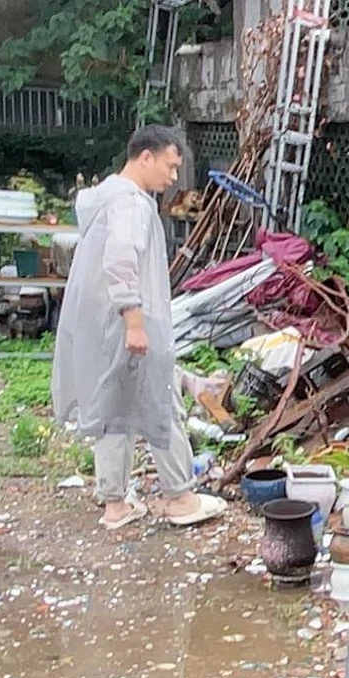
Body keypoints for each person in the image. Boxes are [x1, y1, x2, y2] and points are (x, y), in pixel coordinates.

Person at [53, 125, 226, 530]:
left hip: (103, 322)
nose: (172, 179)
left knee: (115, 406)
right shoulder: (131, 204)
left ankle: (115, 504)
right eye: (169, 166)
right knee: (161, 401)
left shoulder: (104, 199)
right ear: (145, 157)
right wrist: (134, 320)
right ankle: (180, 497)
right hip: (129, 323)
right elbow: (119, 259)